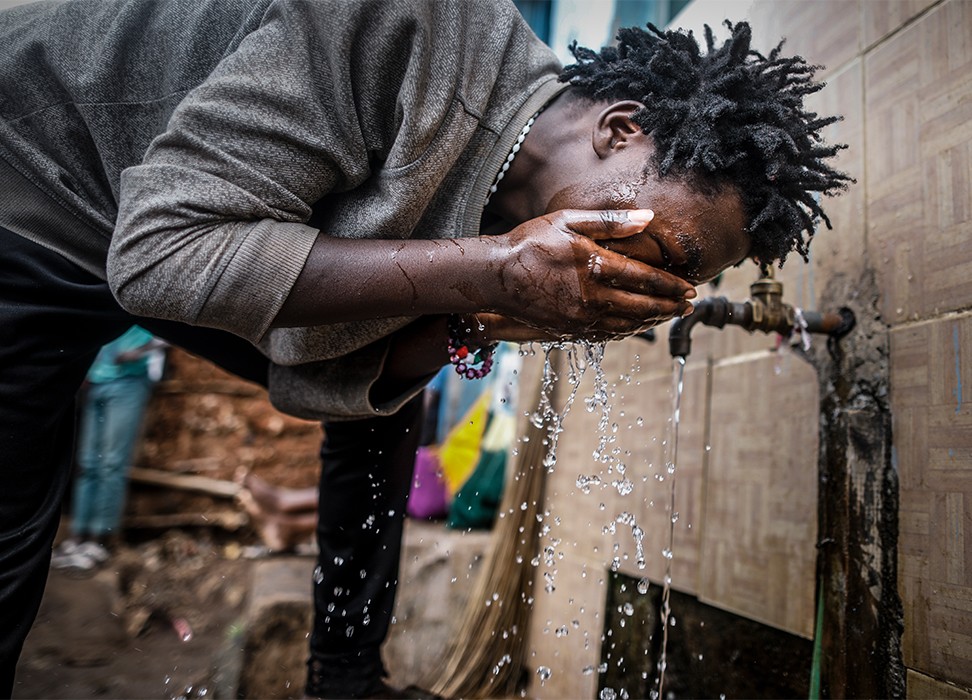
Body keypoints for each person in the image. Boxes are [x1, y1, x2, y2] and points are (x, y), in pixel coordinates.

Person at [0, 0, 851, 696]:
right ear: (621, 128)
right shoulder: (401, 22)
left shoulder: (512, 208)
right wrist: (488, 271)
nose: (645, 290)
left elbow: (327, 367)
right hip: (30, 180)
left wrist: (472, 315)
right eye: (667, 256)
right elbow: (166, 256)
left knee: (386, 414)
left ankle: (345, 683)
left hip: (154, 220)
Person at [51, 326, 166, 572]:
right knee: (87, 463)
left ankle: (99, 540)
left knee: (111, 462)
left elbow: (172, 336)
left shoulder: (138, 297)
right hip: (96, 383)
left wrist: (139, 351)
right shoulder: (101, 295)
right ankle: (77, 537)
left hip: (128, 382)